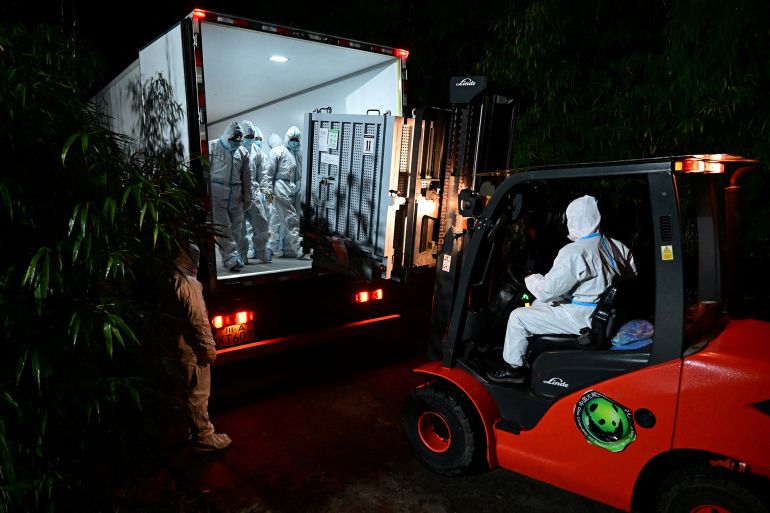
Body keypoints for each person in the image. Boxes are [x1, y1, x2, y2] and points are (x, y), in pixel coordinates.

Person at [487, 195, 637, 384]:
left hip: (580, 318)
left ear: (574, 219)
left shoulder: (576, 252)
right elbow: (630, 275)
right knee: (537, 304)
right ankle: (522, 349)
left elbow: (546, 290)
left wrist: (529, 278)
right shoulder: (617, 246)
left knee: (518, 317)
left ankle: (514, 369)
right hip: (599, 313)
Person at [170, 243, 232, 453]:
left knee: (182, 391)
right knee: (198, 391)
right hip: (191, 349)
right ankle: (203, 437)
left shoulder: (170, 280)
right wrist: (208, 349)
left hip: (175, 347)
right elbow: (198, 321)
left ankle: (181, 431)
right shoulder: (188, 284)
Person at [208, 121, 251, 271]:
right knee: (222, 228)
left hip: (236, 194)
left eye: (240, 139)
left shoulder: (243, 152)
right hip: (217, 192)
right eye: (234, 138)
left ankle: (230, 258)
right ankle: (232, 257)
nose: (237, 141)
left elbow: (247, 176)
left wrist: (248, 197)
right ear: (228, 136)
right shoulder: (212, 146)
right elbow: (204, 172)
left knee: (235, 229)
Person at [264, 126, 304, 258]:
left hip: (294, 188)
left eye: (296, 139)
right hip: (281, 187)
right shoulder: (278, 151)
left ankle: (286, 249)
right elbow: (269, 173)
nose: (294, 142)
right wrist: (268, 191)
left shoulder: (298, 154)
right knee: (290, 218)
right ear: (287, 139)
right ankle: (298, 248)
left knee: (288, 219)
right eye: (292, 139)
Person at [239, 120, 272, 263]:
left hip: (253, 191)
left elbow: (262, 172)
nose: (250, 139)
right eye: (247, 136)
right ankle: (241, 254)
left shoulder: (256, 150)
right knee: (239, 227)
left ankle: (260, 250)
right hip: (238, 193)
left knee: (261, 223)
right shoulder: (235, 149)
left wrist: (265, 188)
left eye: (252, 136)